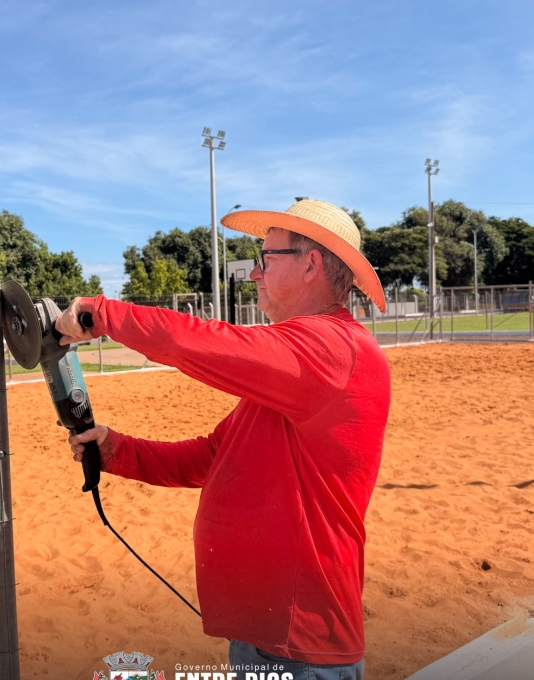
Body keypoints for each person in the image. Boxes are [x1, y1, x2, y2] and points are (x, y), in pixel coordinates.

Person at [56, 199, 391, 680]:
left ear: (311, 264)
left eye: (266, 258)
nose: (254, 273)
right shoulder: (306, 358)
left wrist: (99, 315)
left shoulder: (333, 347)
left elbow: (207, 342)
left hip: (299, 644)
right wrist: (118, 451)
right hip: (271, 632)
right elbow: (215, 457)